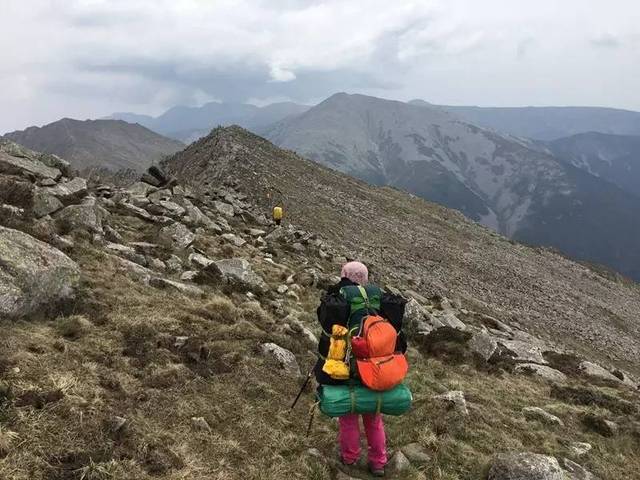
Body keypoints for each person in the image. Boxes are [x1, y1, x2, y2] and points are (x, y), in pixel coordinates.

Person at [315, 261, 407, 477]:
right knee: (374, 418)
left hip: (349, 367)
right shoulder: (380, 298)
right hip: (377, 367)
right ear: (364, 278)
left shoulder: (340, 298)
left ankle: (350, 457)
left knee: (348, 417)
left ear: (346, 275)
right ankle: (378, 462)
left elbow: (328, 333)